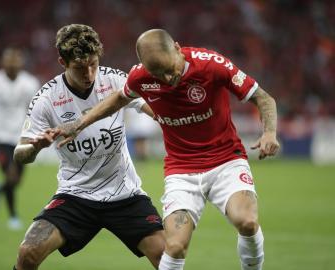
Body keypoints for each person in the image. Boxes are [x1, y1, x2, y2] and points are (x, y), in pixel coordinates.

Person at [53, 29, 280, 270]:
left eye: (168, 68)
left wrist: (269, 133)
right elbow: (117, 99)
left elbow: (264, 99)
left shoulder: (211, 66)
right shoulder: (140, 77)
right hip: (181, 171)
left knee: (246, 221)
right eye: (157, 73)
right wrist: (78, 124)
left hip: (225, 161)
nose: (167, 77)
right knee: (174, 246)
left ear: (178, 48)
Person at [12, 24, 165, 270]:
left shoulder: (114, 79)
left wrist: (171, 118)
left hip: (125, 194)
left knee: (166, 257)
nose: (90, 74)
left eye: (93, 63)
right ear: (63, 62)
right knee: (28, 252)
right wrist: (37, 147)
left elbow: (156, 111)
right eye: (80, 68)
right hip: (76, 196)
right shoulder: (46, 99)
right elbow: (20, 155)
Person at [0, 48, 40, 230]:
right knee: (11, 175)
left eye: (16, 65)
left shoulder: (30, 83)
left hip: (20, 136)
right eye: (9, 65)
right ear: (3, 64)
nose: (12, 68)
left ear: (21, 65)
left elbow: (34, 108)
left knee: (16, 181)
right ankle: (13, 217)